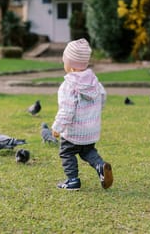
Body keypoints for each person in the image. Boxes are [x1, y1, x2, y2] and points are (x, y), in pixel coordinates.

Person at [52, 38, 113, 191]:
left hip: (73, 131)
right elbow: (102, 97)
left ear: (71, 66)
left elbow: (67, 109)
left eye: (64, 60)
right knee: (88, 151)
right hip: (90, 130)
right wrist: (94, 114)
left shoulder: (69, 85)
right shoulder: (94, 81)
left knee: (67, 153)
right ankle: (100, 166)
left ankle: (72, 181)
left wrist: (58, 127)